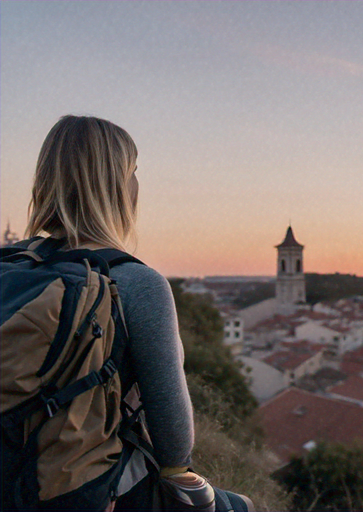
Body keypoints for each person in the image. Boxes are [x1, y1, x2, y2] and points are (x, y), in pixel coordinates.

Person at [21, 115, 254, 511]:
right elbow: (175, 443)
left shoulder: (13, 266)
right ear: (117, 188)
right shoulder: (135, 283)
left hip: (12, 469)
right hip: (77, 492)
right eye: (132, 172)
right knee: (241, 505)